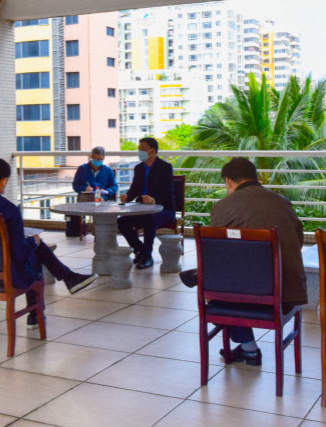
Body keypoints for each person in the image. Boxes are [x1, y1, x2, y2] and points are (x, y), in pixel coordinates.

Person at [179, 157, 307, 366]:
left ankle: (248, 347)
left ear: (228, 181)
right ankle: (248, 348)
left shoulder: (222, 207)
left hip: (245, 295)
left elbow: (217, 255)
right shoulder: (282, 202)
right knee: (233, 277)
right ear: (255, 177)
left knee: (219, 284)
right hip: (287, 292)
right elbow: (298, 241)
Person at [0, 157, 99, 327]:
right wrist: (33, 243)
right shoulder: (8, 209)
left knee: (32, 246)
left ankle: (68, 279)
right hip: (4, 275)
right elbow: (21, 253)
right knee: (34, 253)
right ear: (4, 181)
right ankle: (37, 312)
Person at [117, 137, 175, 269]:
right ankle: (140, 251)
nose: (139, 151)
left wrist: (153, 200)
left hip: (163, 210)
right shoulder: (139, 168)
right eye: (139, 149)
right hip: (142, 209)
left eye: (143, 149)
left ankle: (147, 257)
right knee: (122, 221)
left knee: (149, 219)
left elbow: (167, 192)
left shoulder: (165, 167)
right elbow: (135, 188)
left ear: (152, 151)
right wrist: (127, 197)